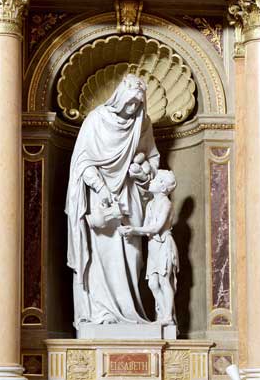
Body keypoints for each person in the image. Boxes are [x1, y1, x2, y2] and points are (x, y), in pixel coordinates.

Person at [65, 73, 159, 328]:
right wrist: (101, 187)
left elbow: (153, 158)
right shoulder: (96, 120)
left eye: (138, 104)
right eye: (130, 102)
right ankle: (102, 313)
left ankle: (131, 313)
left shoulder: (143, 123)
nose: (133, 108)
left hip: (130, 195)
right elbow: (82, 162)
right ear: (119, 97)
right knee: (103, 257)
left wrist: (142, 171)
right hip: (100, 199)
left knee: (132, 254)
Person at [118, 170, 178, 325]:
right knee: (152, 283)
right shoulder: (151, 204)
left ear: (163, 188)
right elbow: (145, 228)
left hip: (164, 244)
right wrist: (129, 228)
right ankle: (164, 313)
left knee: (164, 281)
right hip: (153, 247)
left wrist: (134, 230)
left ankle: (168, 317)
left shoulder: (166, 203)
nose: (151, 180)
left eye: (156, 180)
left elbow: (156, 228)